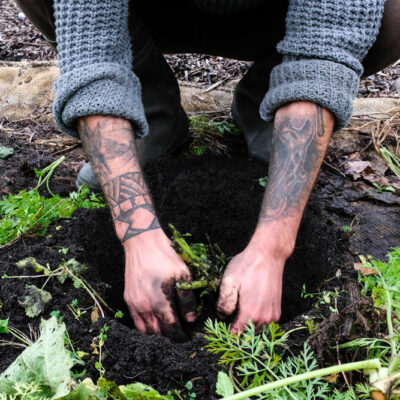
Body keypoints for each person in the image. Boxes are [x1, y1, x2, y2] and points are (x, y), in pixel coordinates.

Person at [16, 0, 400, 337]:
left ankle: (268, 99)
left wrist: (271, 250)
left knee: (391, 15)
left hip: (269, 15)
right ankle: (151, 111)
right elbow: (94, 51)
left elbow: (324, 48)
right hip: (152, 11)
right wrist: (139, 236)